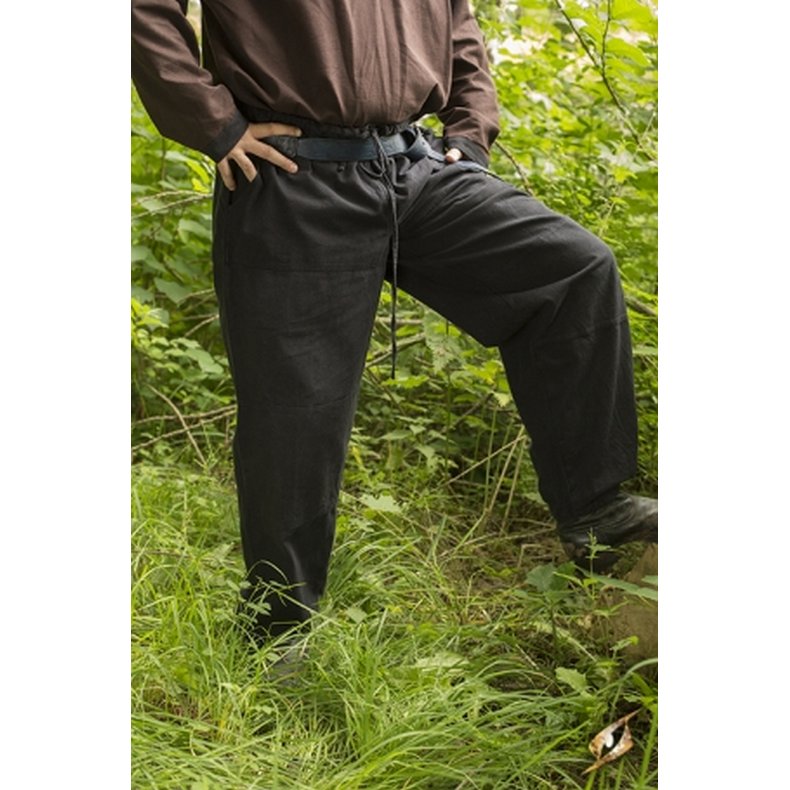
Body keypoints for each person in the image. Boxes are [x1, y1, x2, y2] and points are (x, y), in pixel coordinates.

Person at [131, 0, 657, 643]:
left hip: (414, 168)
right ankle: (278, 629)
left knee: (572, 269)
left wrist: (470, 130)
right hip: (293, 178)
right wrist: (213, 122)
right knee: (295, 412)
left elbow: (458, 25)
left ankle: (595, 511)